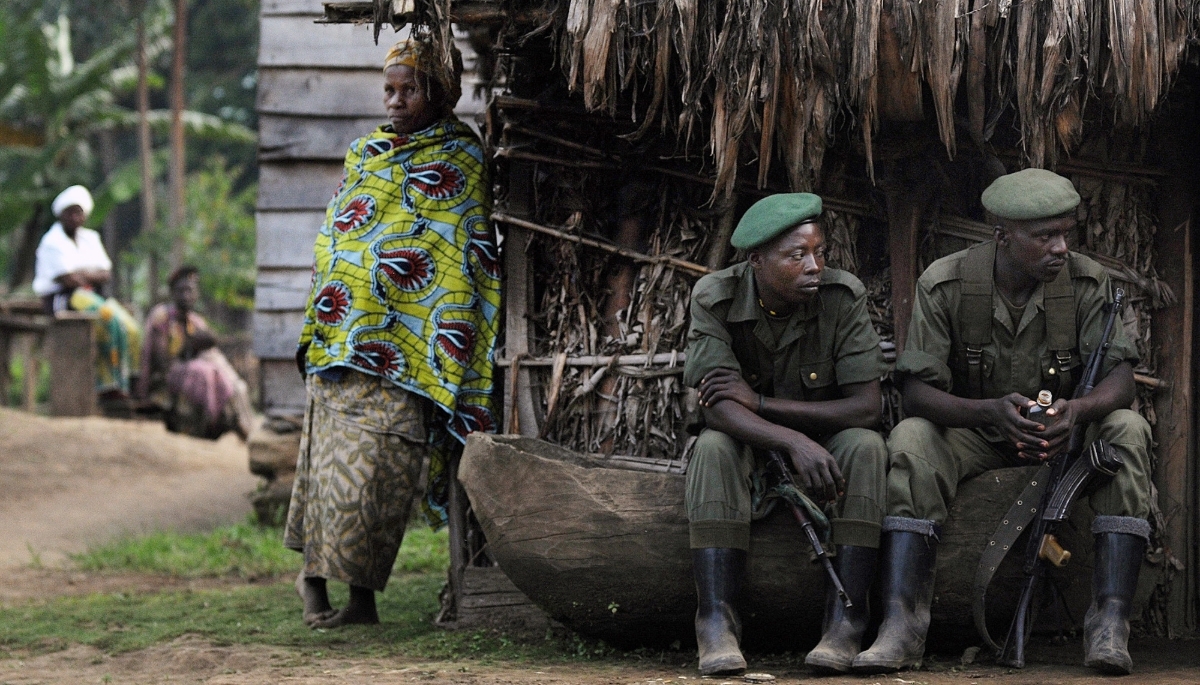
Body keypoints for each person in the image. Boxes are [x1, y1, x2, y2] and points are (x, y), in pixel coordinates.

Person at [855, 169, 1152, 675]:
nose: (1060, 247)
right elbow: (916, 392)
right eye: (1044, 237)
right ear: (1002, 238)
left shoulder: (1085, 282)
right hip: (977, 432)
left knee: (1127, 428)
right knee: (911, 438)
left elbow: (1121, 378)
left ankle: (1110, 622)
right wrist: (988, 411)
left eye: (1065, 233)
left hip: (1062, 437)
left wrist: (1076, 411)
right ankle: (903, 625)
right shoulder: (946, 283)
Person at [286, 36, 500, 629]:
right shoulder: (365, 154)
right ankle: (314, 583)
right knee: (325, 471)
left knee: (379, 478)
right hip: (341, 342)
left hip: (410, 352)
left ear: (439, 93)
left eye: (410, 90)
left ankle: (361, 600)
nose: (396, 101)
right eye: (389, 89)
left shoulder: (461, 157)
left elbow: (462, 250)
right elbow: (338, 235)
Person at [682, 193, 889, 675]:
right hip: (750, 444)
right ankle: (715, 623)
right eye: (797, 256)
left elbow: (867, 406)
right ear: (756, 261)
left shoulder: (843, 297)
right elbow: (718, 410)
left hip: (828, 440)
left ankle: (846, 621)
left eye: (820, 252)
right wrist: (787, 439)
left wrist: (764, 405)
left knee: (867, 446)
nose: (815, 266)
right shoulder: (716, 297)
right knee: (712, 448)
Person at [32, 185, 141, 397]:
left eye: (78, 212)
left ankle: (132, 382)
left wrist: (80, 274)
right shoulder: (51, 241)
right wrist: (88, 273)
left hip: (92, 295)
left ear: (85, 215)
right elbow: (68, 280)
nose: (74, 217)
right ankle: (108, 385)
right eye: (70, 212)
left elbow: (105, 273)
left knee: (131, 328)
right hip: (64, 299)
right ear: (61, 215)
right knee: (110, 320)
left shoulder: (90, 238)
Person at [136, 266, 253, 440]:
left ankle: (231, 421)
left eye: (190, 291)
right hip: (164, 378)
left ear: (196, 294)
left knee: (218, 369)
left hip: (191, 371)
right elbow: (161, 362)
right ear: (172, 293)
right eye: (180, 291)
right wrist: (187, 348)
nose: (185, 296)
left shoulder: (195, 321)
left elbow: (209, 346)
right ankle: (198, 427)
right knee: (202, 371)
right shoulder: (162, 316)